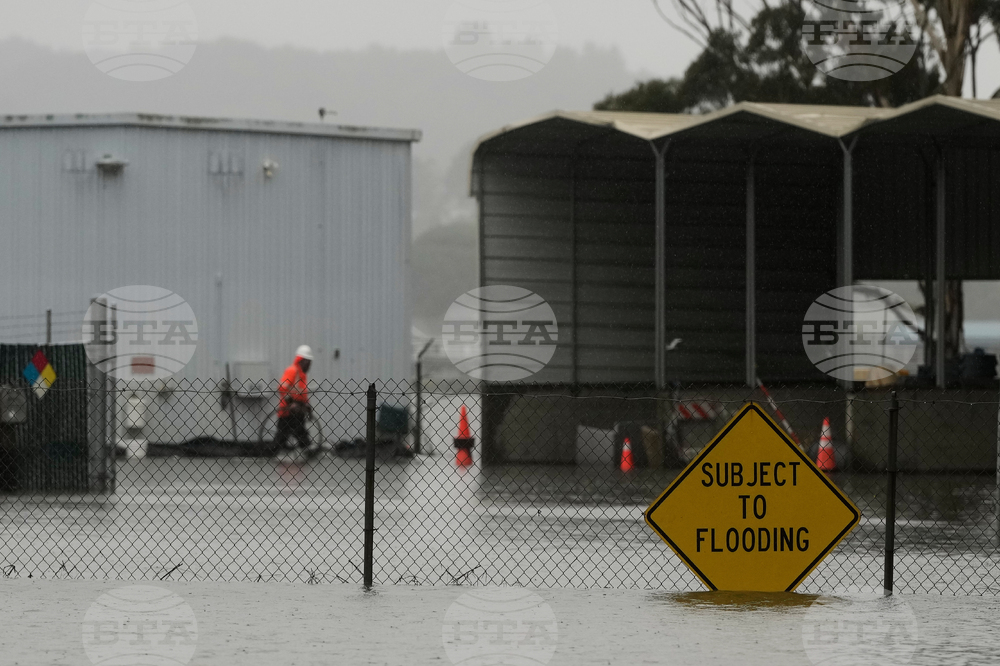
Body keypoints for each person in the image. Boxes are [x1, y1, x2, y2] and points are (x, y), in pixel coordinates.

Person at [276, 345, 318, 457]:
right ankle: (274, 454)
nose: (309, 365)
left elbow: (301, 394)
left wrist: (307, 406)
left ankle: (304, 452)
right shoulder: (292, 371)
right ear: (302, 361)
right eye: (308, 362)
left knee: (298, 433)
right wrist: (291, 403)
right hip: (288, 411)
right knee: (284, 436)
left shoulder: (302, 375)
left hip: (297, 411)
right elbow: (282, 388)